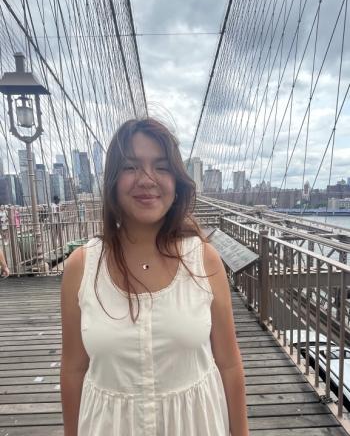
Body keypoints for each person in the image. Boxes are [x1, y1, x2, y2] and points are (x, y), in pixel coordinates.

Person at [60, 118, 249, 436]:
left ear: (176, 182)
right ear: (112, 181)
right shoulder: (81, 266)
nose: (147, 179)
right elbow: (73, 369)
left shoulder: (204, 258)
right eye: (131, 167)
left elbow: (229, 363)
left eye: (161, 167)